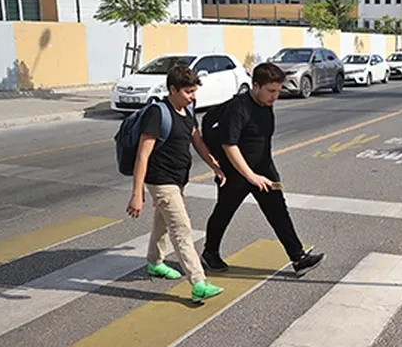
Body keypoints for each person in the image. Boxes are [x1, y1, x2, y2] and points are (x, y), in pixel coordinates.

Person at [201, 62, 324, 274]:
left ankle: (298, 258)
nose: (275, 96)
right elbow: (229, 145)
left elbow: (261, 140)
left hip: (264, 170)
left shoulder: (266, 105)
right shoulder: (238, 108)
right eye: (271, 91)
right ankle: (209, 253)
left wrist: (266, 172)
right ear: (255, 86)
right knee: (224, 213)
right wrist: (251, 176)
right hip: (236, 173)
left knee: (279, 211)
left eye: (278, 91)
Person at [126, 64, 226, 302]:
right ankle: (198, 282)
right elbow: (143, 155)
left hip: (178, 179)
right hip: (160, 181)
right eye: (188, 92)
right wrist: (137, 193)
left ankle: (154, 263)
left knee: (162, 222)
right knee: (181, 228)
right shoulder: (158, 113)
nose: (193, 97)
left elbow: (198, 142)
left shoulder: (188, 112)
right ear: (173, 89)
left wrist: (215, 166)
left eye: (194, 91)